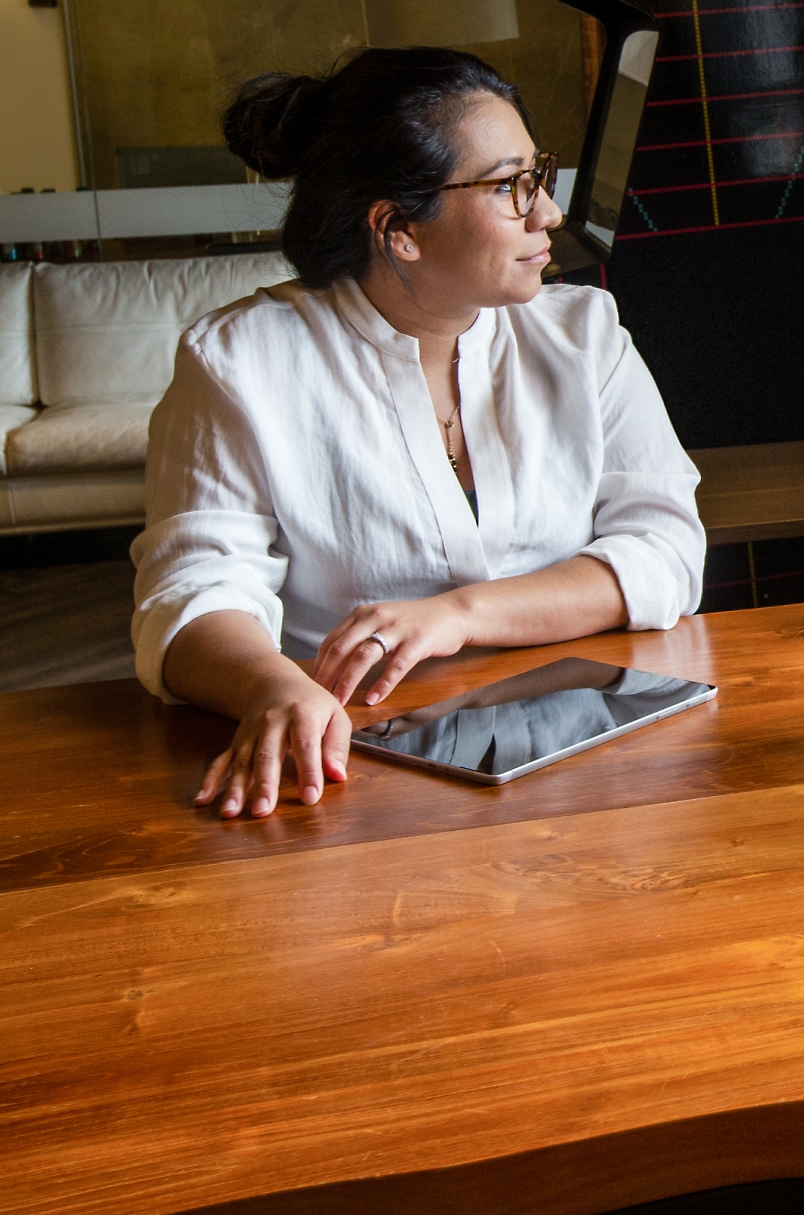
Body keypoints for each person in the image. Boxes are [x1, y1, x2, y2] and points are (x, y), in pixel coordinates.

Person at [132, 48, 704, 821]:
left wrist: (458, 615)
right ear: (398, 228)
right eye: (511, 187)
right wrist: (271, 686)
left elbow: (665, 553)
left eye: (539, 175)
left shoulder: (584, 335)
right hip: (349, 768)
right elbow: (195, 590)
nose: (548, 214)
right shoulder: (242, 361)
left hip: (588, 753)